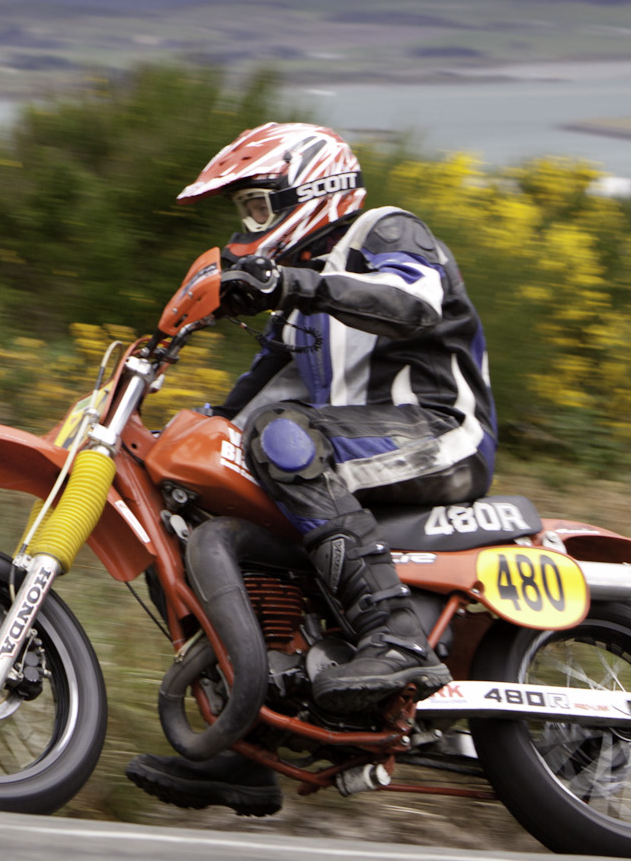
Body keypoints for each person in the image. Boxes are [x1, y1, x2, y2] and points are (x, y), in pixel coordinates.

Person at [127, 122, 498, 816]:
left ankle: (396, 638)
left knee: (282, 436)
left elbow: (413, 304)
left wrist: (292, 282)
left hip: (441, 433)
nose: (250, 225)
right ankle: (248, 742)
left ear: (313, 190)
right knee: (195, 490)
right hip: (353, 448)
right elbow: (250, 398)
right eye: (245, 211)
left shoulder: (388, 231)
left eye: (259, 207)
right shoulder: (300, 302)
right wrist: (176, 428)